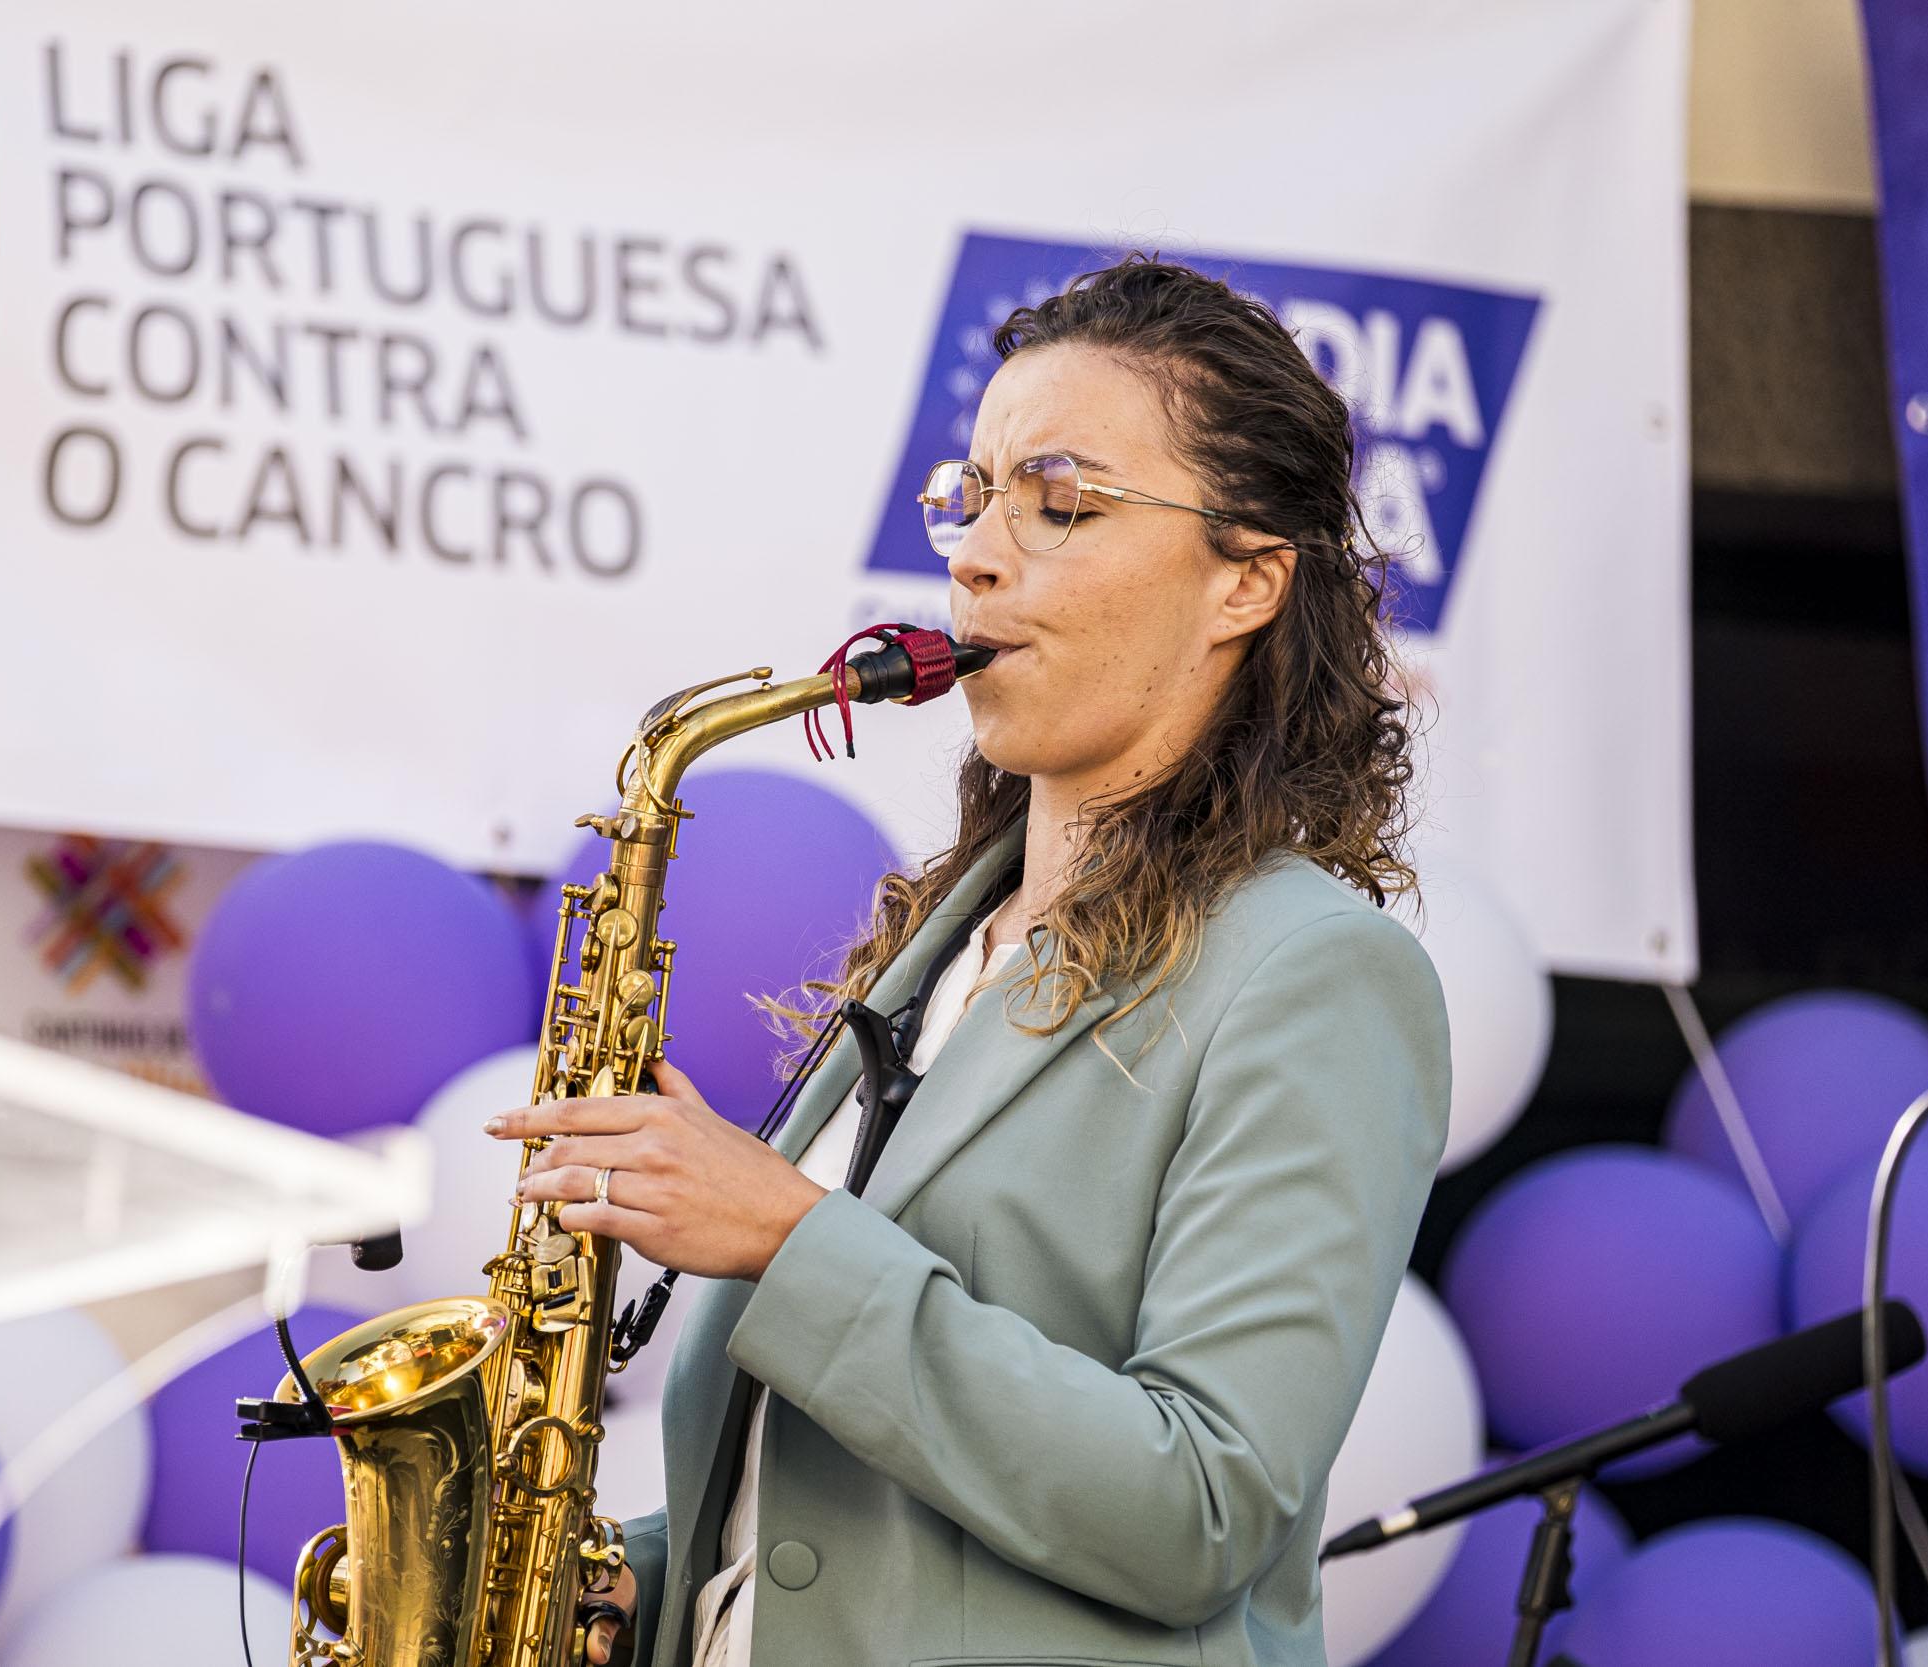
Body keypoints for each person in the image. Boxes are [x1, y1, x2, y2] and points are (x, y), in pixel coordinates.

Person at [486, 254, 1451, 1667]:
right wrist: (640, 1582)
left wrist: (788, 1238)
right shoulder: (943, 956)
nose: (974, 556)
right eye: (975, 495)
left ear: (1245, 582)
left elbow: (1203, 1507)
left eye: (1061, 503)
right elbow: (851, 1523)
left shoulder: (1316, 974)